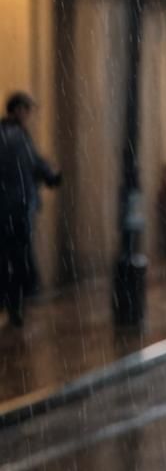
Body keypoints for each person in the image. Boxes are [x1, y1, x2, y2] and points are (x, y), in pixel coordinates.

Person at [0, 91, 60, 326]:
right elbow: (32, 165)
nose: (29, 115)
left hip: (11, 210)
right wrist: (51, 175)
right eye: (27, 110)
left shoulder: (12, 135)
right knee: (18, 261)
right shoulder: (16, 137)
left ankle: (14, 306)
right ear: (18, 110)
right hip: (16, 210)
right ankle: (15, 308)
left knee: (11, 260)